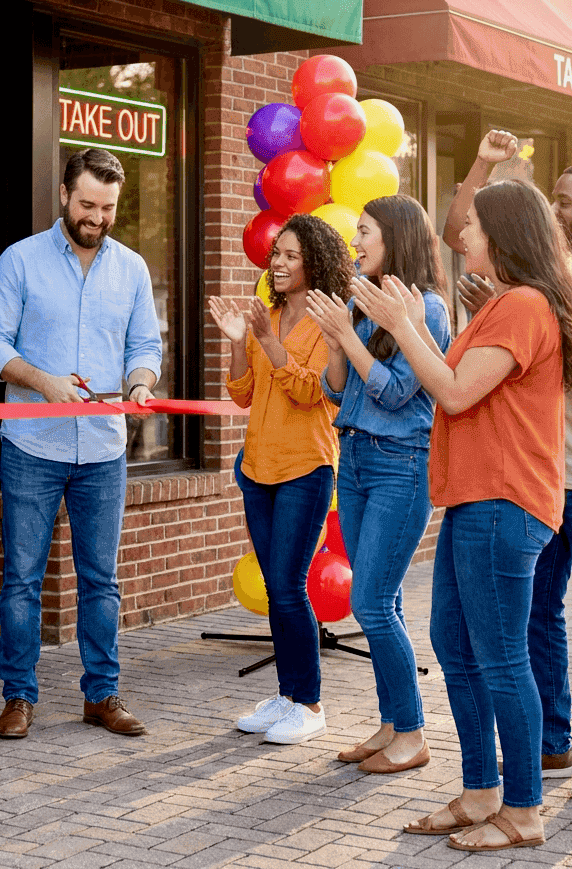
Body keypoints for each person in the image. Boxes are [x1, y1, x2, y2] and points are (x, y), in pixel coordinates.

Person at [352, 160, 572, 851]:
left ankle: (522, 810)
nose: (463, 235)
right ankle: (483, 789)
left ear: (505, 234)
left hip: (502, 503)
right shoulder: (505, 300)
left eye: (477, 226)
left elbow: (452, 392)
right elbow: (457, 381)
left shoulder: (523, 306)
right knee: (457, 646)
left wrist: (403, 321)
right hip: (474, 500)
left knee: (501, 658)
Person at [0, 147, 162, 740]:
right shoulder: (21, 261)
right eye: (87, 204)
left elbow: (145, 347)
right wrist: (44, 381)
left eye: (107, 207)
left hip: (105, 449)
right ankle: (18, 698)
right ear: (63, 195)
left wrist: (140, 382)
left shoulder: (131, 268)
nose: (97, 216)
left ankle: (102, 695)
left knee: (101, 580)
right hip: (32, 443)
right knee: (23, 579)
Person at [446, 146, 572, 799]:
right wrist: (480, 167)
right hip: (540, 479)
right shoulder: (551, 278)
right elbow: (460, 227)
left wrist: (509, 337)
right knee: (536, 620)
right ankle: (552, 745)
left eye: (565, 199)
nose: (557, 208)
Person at [305, 195, 451, 773]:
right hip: (358, 459)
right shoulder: (363, 301)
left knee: (369, 602)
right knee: (380, 599)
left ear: (395, 238)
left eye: (363, 231)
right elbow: (338, 391)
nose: (354, 242)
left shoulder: (427, 309)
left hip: (400, 466)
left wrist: (352, 333)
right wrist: (339, 336)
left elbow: (394, 392)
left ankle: (413, 734)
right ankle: (391, 723)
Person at [210, 213, 353, 745]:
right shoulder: (265, 313)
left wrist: (270, 342)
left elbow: (311, 391)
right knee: (276, 588)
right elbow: (242, 393)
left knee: (290, 587)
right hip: (258, 468)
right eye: (277, 254)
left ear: (315, 261)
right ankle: (288, 694)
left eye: (293, 255)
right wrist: (236, 339)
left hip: (305, 469)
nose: (281, 263)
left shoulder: (326, 321)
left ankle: (310, 704)